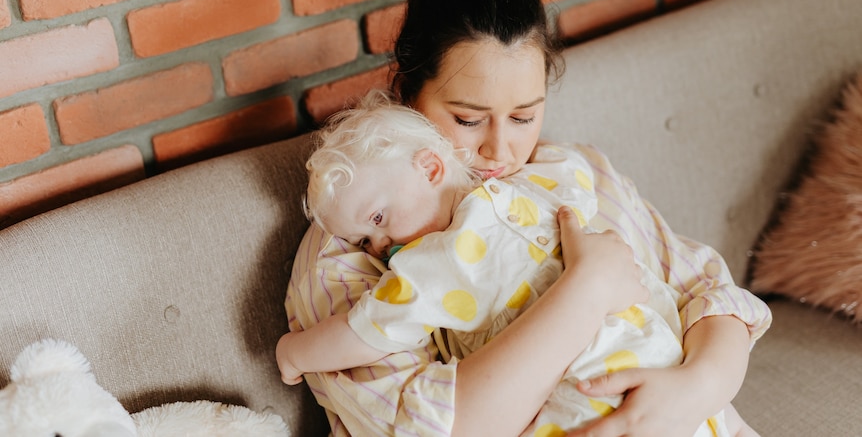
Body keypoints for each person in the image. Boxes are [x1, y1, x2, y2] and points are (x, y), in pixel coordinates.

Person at [282, 0, 773, 436]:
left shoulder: (569, 172)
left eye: (523, 117)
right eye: (469, 120)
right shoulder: (355, 243)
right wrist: (587, 289)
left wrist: (696, 386)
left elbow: (704, 292)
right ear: (411, 101)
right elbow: (431, 426)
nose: (500, 149)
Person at [276, 93, 759, 436]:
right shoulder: (539, 184)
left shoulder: (430, 267)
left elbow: (362, 333)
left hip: (590, 380)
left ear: (430, 168)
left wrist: (294, 354)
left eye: (379, 219)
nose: (379, 246)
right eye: (364, 237)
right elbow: (580, 184)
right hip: (649, 343)